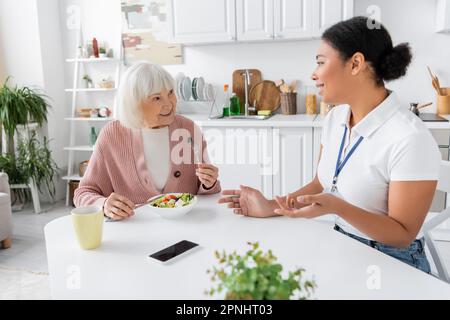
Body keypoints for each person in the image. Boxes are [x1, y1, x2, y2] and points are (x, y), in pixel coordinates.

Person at [218, 16, 441, 273]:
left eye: (321, 63)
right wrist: (272, 206)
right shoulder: (335, 118)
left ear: (355, 63)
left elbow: (402, 235)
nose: (313, 74)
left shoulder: (409, 138)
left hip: (394, 261)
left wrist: (338, 207)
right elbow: (320, 184)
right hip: (342, 243)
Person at [75, 62, 221, 220]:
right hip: (137, 234)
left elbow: (208, 192)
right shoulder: (112, 135)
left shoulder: (188, 129)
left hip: (187, 227)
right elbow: (83, 193)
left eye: (170, 93)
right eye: (157, 98)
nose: (169, 104)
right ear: (133, 103)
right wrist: (103, 204)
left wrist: (209, 183)